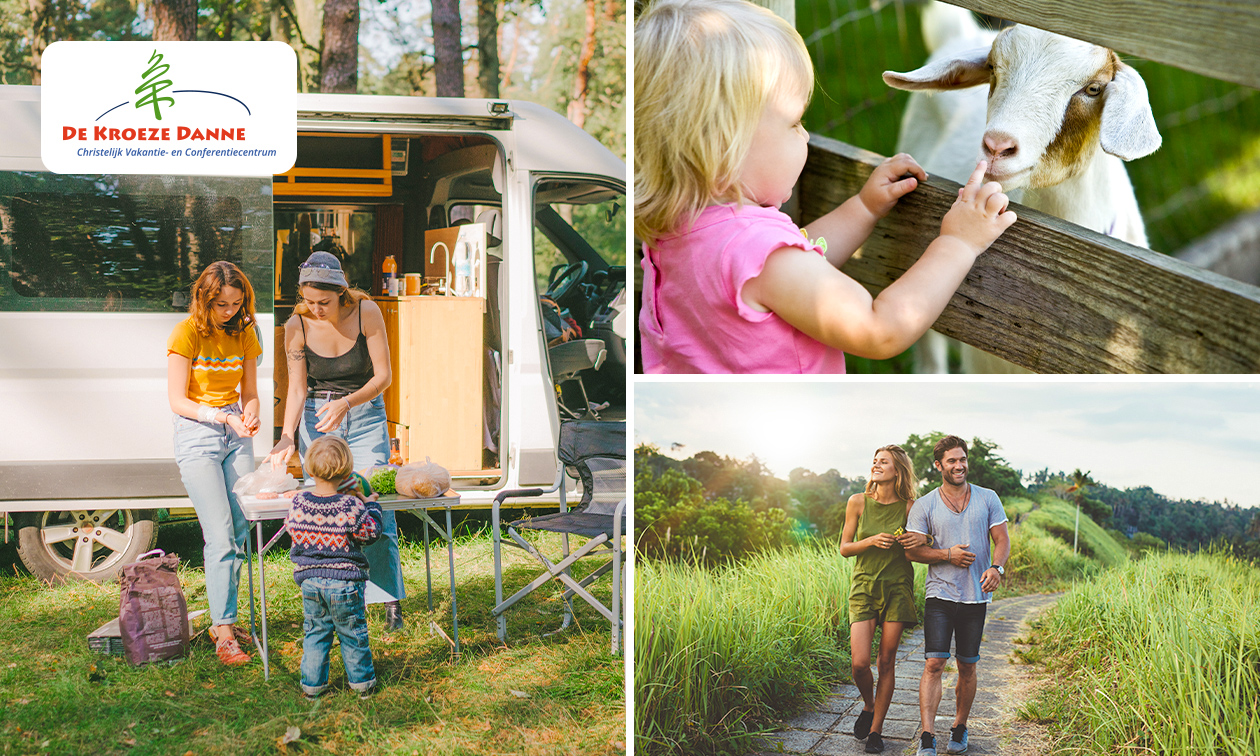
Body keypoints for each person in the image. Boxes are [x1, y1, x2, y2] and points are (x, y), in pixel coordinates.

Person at [634, 0, 1017, 374]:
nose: (805, 135)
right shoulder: (759, 257)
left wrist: (863, 209)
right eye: (795, 122)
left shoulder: (679, 231)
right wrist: (958, 244)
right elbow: (879, 330)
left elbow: (796, 265)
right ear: (724, 144)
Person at [265, 251, 407, 630]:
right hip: (318, 418)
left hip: (362, 414)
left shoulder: (366, 312)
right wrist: (286, 436)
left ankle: (388, 598)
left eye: (323, 302)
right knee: (327, 511)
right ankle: (334, 596)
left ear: (342, 293)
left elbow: (384, 377)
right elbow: (296, 389)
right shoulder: (297, 325)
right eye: (309, 302)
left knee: (374, 503)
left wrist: (347, 402)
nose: (316, 309)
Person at [165, 261, 262, 665]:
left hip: (235, 430)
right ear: (204, 300)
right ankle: (223, 629)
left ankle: (225, 618)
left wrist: (252, 413)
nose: (229, 312)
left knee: (239, 528)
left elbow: (251, 391)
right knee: (219, 532)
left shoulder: (244, 332)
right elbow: (177, 400)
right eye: (221, 304)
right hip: (198, 432)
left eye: (237, 304)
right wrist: (221, 416)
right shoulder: (185, 333)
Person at [904, 436, 1011, 756]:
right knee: (934, 662)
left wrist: (997, 568)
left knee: (967, 665)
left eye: (962, 459)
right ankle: (927, 736)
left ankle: (959, 727)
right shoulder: (925, 504)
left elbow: (1002, 540)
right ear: (938, 465)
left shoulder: (988, 497)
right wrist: (947, 555)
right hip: (940, 594)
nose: (959, 465)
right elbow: (914, 552)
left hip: (975, 596)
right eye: (951, 461)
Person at [285, 435, 382, 699]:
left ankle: (312, 686)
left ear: (310, 468)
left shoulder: (298, 502)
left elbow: (292, 528)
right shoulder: (350, 505)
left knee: (316, 633)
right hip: (345, 582)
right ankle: (362, 685)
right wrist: (371, 504)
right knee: (352, 633)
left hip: (310, 582)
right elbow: (370, 533)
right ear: (347, 470)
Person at [840, 445, 922, 754]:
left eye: (883, 462)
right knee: (860, 663)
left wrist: (922, 538)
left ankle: (876, 732)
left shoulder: (911, 507)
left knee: (886, 661)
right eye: (874, 461)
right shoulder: (858, 502)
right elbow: (845, 547)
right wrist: (871, 540)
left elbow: (927, 540)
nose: (876, 465)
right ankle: (869, 704)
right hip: (864, 586)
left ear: (897, 471)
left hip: (897, 587)